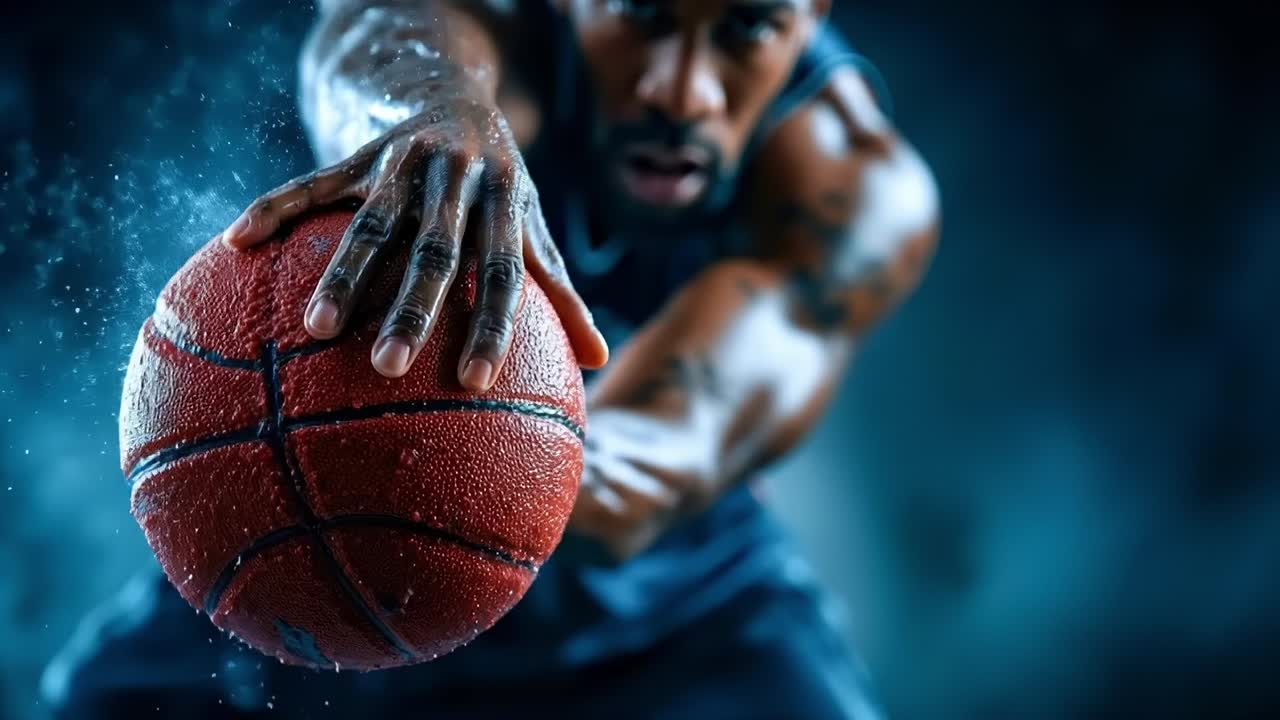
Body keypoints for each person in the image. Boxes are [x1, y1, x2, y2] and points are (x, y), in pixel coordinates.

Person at [43, 1, 938, 717]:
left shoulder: (855, 194)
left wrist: (466, 456)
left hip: (666, 615)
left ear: (814, 12)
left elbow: (667, 457)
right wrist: (428, 117)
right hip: (311, 579)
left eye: (747, 24)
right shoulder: (485, 37)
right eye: (640, 11)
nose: (682, 90)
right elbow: (375, 30)